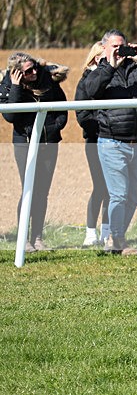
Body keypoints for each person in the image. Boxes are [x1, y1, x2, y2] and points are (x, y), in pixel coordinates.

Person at [81, 29, 137, 256]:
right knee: (118, 194)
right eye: (114, 47)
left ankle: (115, 236)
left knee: (135, 195)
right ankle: (117, 240)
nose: (119, 51)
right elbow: (91, 90)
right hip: (112, 142)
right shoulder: (99, 71)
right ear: (105, 47)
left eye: (122, 46)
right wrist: (110, 66)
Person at [0, 52, 69, 252]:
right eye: (28, 71)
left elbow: (62, 108)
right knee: (29, 189)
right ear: (17, 73)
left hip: (49, 143)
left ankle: (37, 237)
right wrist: (15, 86)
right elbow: (11, 116)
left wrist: (54, 128)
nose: (34, 72)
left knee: (42, 191)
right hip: (25, 144)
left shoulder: (48, 81)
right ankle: (23, 239)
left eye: (35, 68)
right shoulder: (7, 86)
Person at [75, 42, 110, 247]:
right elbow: (82, 114)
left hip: (113, 139)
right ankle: (90, 233)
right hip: (95, 140)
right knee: (100, 186)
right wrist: (100, 127)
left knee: (111, 189)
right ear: (97, 58)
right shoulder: (86, 81)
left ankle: (107, 232)